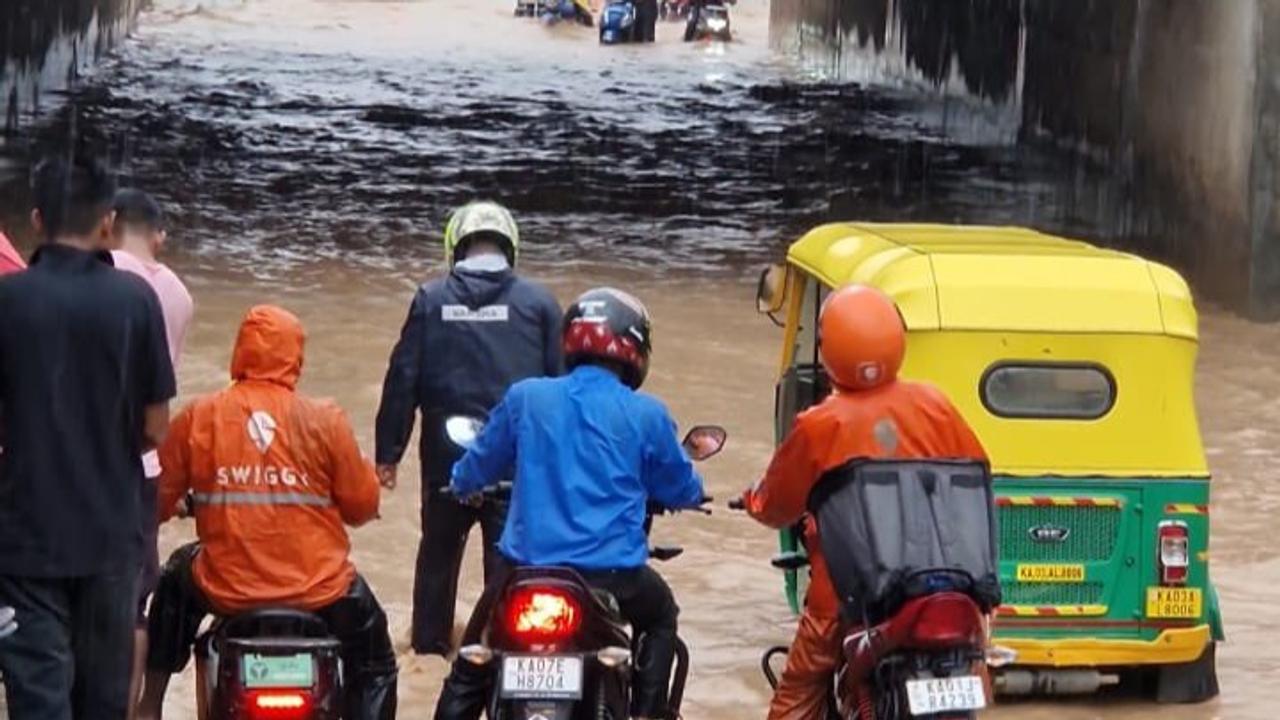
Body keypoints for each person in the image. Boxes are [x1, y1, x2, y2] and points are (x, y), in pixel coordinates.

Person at [434, 287, 706, 720]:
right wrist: (692, 494)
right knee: (660, 617)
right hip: (612, 579)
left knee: (471, 661)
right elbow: (680, 485)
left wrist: (461, 484)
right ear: (634, 348)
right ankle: (649, 714)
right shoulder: (647, 414)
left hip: (521, 574)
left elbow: (476, 466)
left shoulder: (526, 397)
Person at [137, 304, 397, 720]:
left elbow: (154, 503)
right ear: (297, 357)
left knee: (173, 581)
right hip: (322, 588)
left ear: (239, 351)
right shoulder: (325, 419)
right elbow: (363, 506)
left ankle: (149, 706)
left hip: (225, 586)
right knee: (377, 662)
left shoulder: (201, 415)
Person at [739, 285, 987, 720]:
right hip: (946, 583)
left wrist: (752, 501)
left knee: (800, 687)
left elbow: (778, 504)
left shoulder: (820, 423)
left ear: (828, 348)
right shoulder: (935, 404)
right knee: (977, 662)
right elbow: (978, 472)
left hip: (849, 595)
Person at [0, 155, 176, 720]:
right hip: (110, 539)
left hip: (23, 541)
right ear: (107, 223)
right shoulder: (135, 301)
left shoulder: (8, 300)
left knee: (38, 699)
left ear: (35, 221)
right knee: (102, 702)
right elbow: (155, 429)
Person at [375, 200, 562, 657]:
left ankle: (428, 653)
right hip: (516, 461)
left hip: (446, 459)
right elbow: (562, 390)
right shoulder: (540, 305)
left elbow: (402, 380)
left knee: (436, 559)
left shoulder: (430, 299)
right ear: (510, 247)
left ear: (454, 247)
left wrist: (388, 454)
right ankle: (502, 652)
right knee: (508, 568)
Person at [109, 188, 196, 720]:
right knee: (135, 605)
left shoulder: (95, 270)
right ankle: (130, 707)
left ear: (109, 222)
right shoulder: (180, 295)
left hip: (75, 459)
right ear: (158, 235)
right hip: (143, 465)